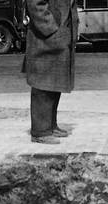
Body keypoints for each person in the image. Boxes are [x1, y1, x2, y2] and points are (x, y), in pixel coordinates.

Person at [23, 0, 78, 143]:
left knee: (55, 81)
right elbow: (35, 4)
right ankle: (40, 131)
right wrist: (51, 27)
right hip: (45, 37)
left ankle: (50, 125)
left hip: (59, 36)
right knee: (42, 83)